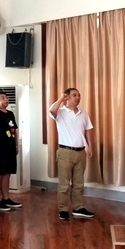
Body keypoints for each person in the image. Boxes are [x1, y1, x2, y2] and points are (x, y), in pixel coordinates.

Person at [49, 88, 95, 220]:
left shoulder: (83, 114)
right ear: (67, 97)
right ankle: (63, 209)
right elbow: (51, 110)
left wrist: (90, 147)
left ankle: (78, 207)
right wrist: (60, 99)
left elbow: (87, 131)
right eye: (74, 95)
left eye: (79, 95)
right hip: (65, 152)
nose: (77, 97)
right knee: (64, 184)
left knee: (79, 183)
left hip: (80, 152)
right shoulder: (60, 112)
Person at [0, 91, 23, 212]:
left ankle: (6, 198)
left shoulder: (10, 113)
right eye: (2, 98)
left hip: (10, 147)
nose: (6, 99)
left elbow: (14, 130)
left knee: (7, 174)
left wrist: (16, 145)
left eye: (6, 98)